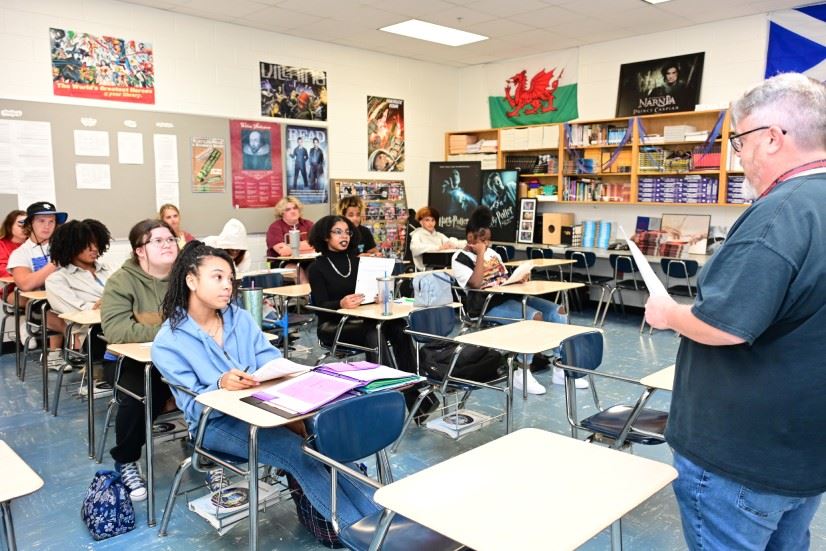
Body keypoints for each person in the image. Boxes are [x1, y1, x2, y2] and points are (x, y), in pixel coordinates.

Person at [645, 73, 826, 550]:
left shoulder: (778, 213)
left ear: (771, 138)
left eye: (740, 141)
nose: (739, 157)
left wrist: (667, 313)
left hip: (744, 455)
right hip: (805, 449)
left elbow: (721, 326)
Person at [152, 241, 380, 536]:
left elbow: (270, 361)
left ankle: (382, 521)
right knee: (299, 455)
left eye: (230, 279)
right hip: (216, 424)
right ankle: (360, 533)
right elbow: (193, 406)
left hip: (267, 408)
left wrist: (284, 378)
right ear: (191, 280)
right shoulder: (168, 341)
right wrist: (220, 384)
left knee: (326, 438)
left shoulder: (240, 318)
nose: (227, 286)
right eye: (217, 277)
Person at [451, 207, 580, 395]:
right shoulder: (459, 258)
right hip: (486, 305)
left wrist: (519, 278)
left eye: (488, 239)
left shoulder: (494, 254)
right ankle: (522, 372)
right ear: (470, 238)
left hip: (509, 295)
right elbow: (476, 283)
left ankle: (561, 367)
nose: (487, 243)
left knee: (558, 311)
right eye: (483, 240)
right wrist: (479, 254)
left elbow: (503, 277)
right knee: (534, 316)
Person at [100, 219, 179, 501]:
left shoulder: (187, 277)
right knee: (141, 396)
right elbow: (117, 330)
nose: (167, 244)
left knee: (213, 386)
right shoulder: (122, 281)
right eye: (157, 240)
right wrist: (171, 330)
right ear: (140, 250)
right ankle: (126, 460)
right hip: (128, 361)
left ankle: (207, 449)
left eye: (171, 239)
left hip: (179, 357)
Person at [307, 215, 413, 374]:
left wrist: (376, 298)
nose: (344, 236)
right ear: (325, 236)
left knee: (400, 327)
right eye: (337, 232)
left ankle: (412, 384)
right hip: (333, 325)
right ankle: (386, 383)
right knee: (374, 332)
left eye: (347, 232)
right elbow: (319, 307)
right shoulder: (317, 267)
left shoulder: (358, 262)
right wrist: (340, 304)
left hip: (363, 319)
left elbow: (365, 295)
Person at [9, 201, 68, 369]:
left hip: (67, 297)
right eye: (41, 221)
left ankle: (84, 360)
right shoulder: (21, 253)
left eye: (51, 221)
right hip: (39, 304)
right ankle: (59, 354)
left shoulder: (62, 247)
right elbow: (26, 284)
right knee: (70, 326)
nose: (47, 226)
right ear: (30, 225)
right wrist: (55, 262)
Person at [266, 196, 314, 283]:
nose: (293, 211)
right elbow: (283, 252)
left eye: (295, 208)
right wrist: (307, 245)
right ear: (282, 213)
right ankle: (306, 296)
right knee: (298, 271)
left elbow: (317, 245)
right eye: (288, 209)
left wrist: (291, 247)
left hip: (307, 261)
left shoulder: (308, 224)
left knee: (318, 268)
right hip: (282, 264)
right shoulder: (275, 227)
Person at [408, 206, 464, 271]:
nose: (430, 223)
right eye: (427, 220)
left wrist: (455, 245)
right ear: (421, 222)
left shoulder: (439, 235)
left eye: (433, 220)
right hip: (424, 271)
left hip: (441, 269)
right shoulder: (417, 235)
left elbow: (450, 242)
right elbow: (415, 248)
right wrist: (438, 247)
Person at [0, 209, 27, 279]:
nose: (25, 229)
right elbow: (2, 270)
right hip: (9, 287)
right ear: (9, 226)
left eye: (28, 225)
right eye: (20, 226)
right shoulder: (1, 245)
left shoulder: (35, 243)